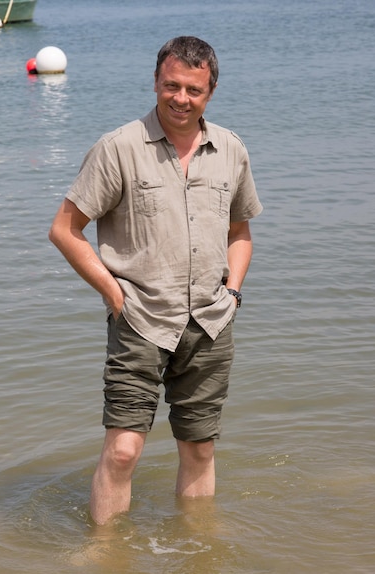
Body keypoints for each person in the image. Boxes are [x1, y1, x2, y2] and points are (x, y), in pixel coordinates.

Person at [49, 36, 263, 526]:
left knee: (200, 450)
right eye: (172, 86)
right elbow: (64, 229)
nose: (181, 99)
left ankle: (196, 553)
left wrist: (232, 292)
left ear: (210, 92)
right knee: (123, 451)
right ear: (155, 82)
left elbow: (241, 231)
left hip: (210, 322)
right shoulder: (118, 148)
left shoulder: (230, 149)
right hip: (139, 320)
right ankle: (106, 557)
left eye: (194, 89)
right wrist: (112, 293)